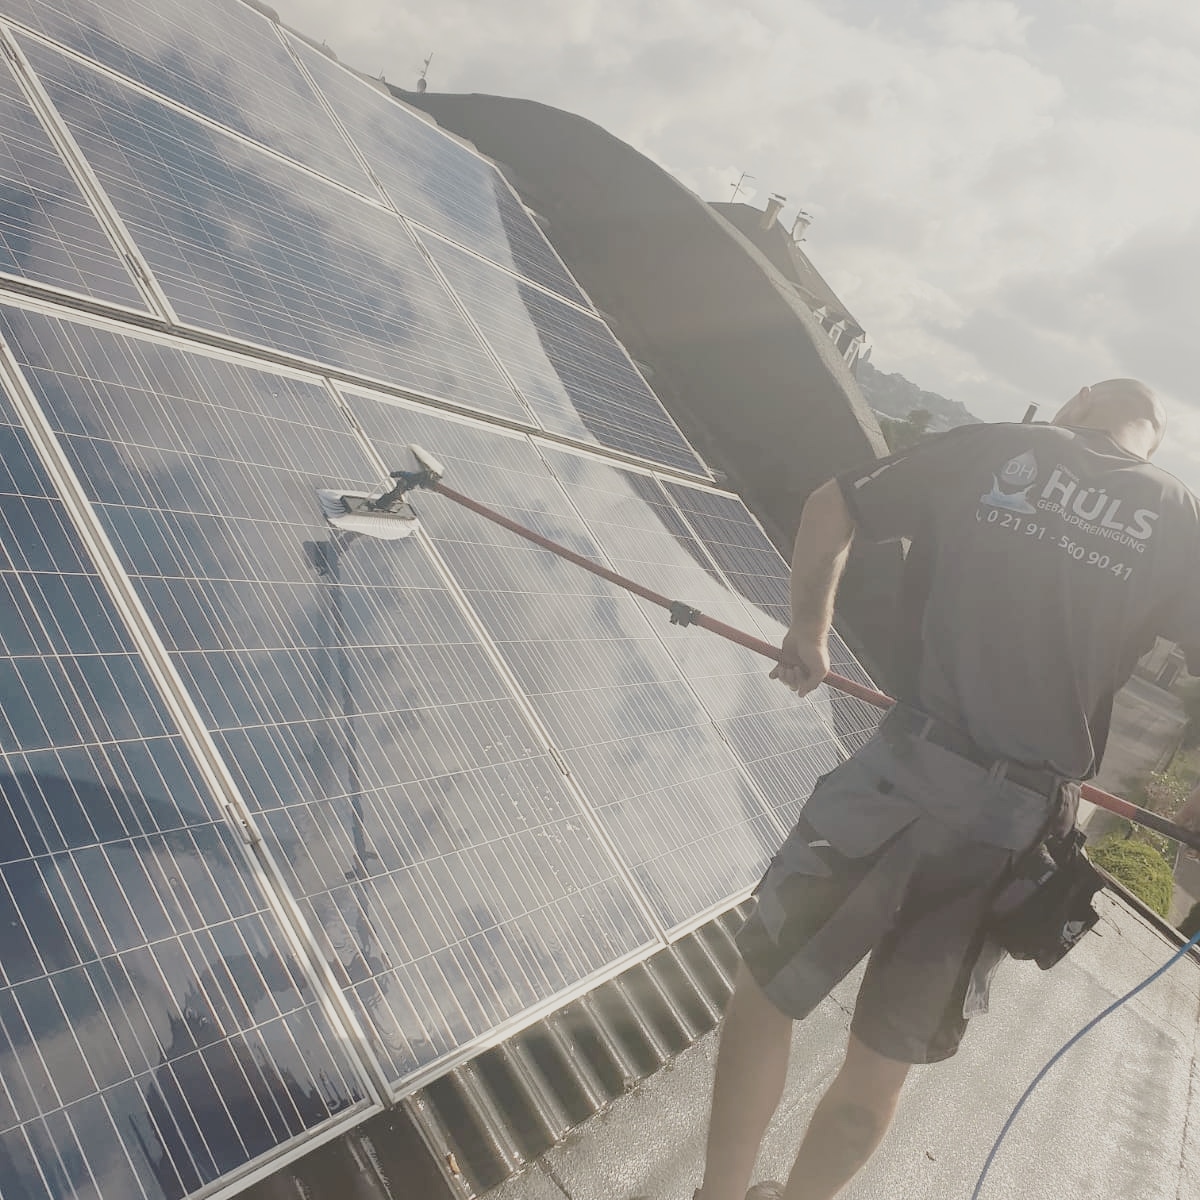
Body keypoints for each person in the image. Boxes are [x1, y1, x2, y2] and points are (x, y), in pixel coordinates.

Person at [695, 380, 1200, 1200]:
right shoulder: (1178, 519)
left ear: (1076, 406)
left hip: (901, 777)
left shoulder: (1003, 446)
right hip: (1008, 832)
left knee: (768, 993)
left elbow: (833, 504)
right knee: (881, 1065)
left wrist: (810, 634)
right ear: (1153, 441)